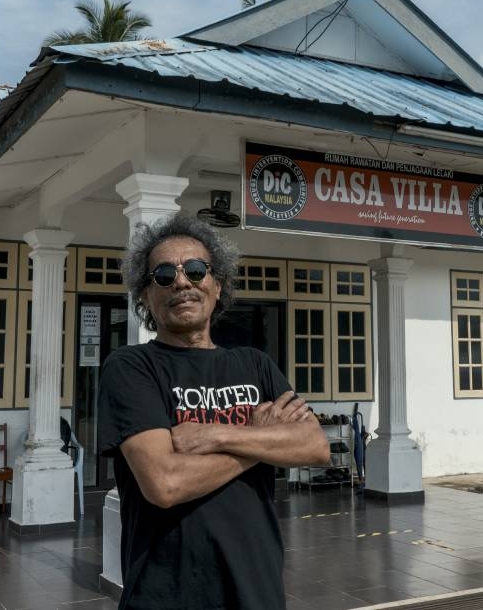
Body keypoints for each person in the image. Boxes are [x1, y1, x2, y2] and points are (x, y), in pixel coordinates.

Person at [98, 214, 329, 610]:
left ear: (217, 285)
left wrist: (215, 434)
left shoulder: (254, 363)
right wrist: (261, 443)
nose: (181, 282)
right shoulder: (131, 367)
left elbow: (315, 446)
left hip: (257, 587)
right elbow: (165, 483)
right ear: (145, 296)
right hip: (167, 594)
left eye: (195, 270)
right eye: (164, 275)